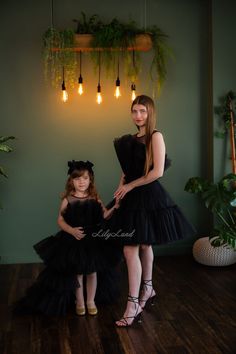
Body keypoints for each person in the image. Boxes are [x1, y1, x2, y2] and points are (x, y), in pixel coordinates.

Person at [108, 95, 196, 327]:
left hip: (148, 195)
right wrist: (120, 192)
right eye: (134, 111)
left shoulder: (155, 136)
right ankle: (148, 288)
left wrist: (130, 186)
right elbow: (126, 172)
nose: (138, 116)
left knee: (131, 248)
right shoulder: (129, 140)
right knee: (142, 245)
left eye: (142, 111)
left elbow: (157, 172)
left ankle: (133, 304)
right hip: (131, 195)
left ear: (150, 113)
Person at [14, 160, 120, 317]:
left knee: (92, 272)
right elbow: (60, 220)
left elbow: (104, 214)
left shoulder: (94, 198)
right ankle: (80, 301)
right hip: (74, 239)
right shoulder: (68, 199)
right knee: (77, 272)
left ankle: (90, 300)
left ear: (90, 180)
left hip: (92, 240)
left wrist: (114, 208)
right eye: (77, 179)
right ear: (71, 181)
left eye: (85, 178)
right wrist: (71, 230)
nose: (81, 182)